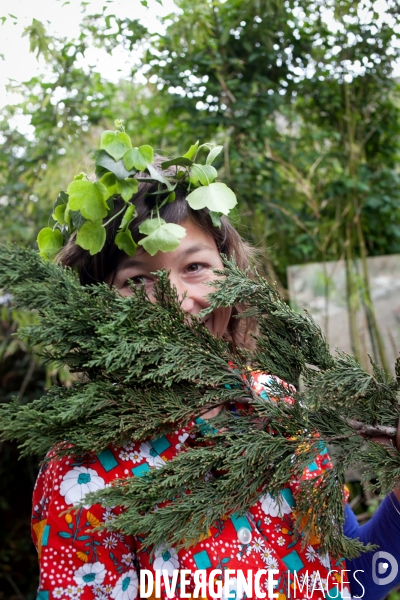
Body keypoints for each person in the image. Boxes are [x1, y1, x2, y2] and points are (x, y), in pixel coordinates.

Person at [31, 176, 400, 600]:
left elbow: (353, 580)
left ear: (234, 279)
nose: (177, 299)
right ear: (95, 305)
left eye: (194, 267)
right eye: (138, 281)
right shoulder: (80, 472)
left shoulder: (277, 404)